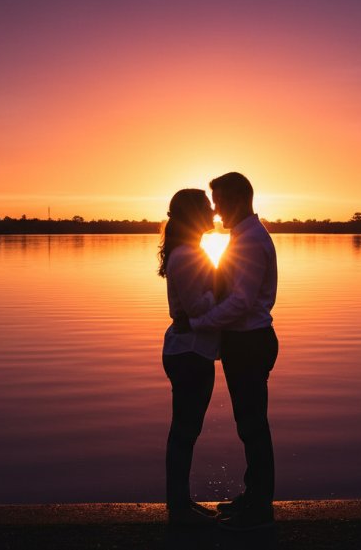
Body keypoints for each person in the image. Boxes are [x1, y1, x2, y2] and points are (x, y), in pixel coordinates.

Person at [176, 172, 279, 531]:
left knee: (252, 426)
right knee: (249, 425)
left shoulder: (249, 241)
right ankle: (254, 498)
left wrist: (199, 323)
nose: (216, 212)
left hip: (249, 342)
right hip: (244, 341)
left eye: (219, 203)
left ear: (236, 200)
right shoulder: (243, 237)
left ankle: (259, 507)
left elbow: (241, 301)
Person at [158, 188, 221, 526]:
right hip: (189, 353)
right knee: (184, 430)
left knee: (186, 429)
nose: (214, 212)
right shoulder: (187, 256)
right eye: (208, 208)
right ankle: (179, 506)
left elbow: (197, 304)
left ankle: (180, 502)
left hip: (190, 350)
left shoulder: (189, 252)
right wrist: (223, 290)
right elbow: (199, 306)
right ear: (194, 214)